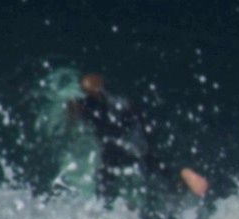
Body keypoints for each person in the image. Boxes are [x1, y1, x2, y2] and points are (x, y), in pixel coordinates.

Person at [67, 73, 209, 199]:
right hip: (132, 135)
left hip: (112, 147)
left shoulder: (84, 106)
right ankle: (181, 175)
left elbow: (74, 124)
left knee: (104, 189)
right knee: (157, 171)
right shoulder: (118, 103)